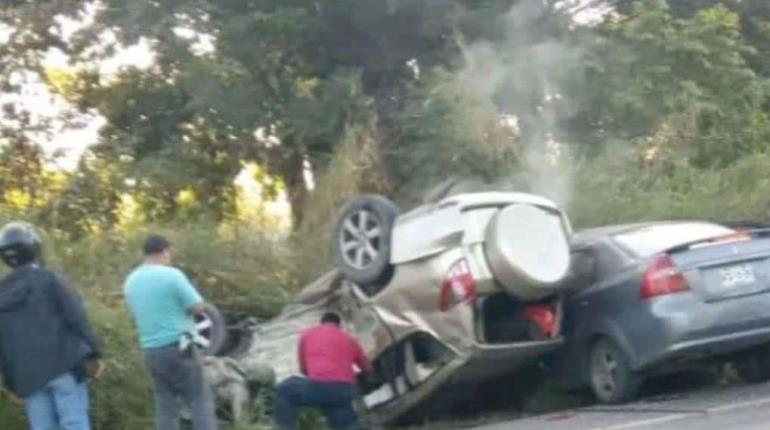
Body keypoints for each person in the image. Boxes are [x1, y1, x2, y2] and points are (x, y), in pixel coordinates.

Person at [0, 221, 103, 430]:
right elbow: (76, 317)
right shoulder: (49, 279)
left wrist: (10, 382)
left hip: (27, 377)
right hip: (64, 366)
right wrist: (95, 352)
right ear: (35, 247)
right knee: (74, 424)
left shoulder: (2, 291)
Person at [123, 234, 217, 430]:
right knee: (199, 401)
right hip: (180, 347)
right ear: (164, 252)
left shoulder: (130, 281)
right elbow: (197, 307)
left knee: (165, 406)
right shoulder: (172, 275)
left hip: (151, 350)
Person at [274, 312, 372, 430]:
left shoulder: (307, 334)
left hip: (320, 386)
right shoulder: (350, 339)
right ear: (339, 325)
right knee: (343, 423)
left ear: (322, 322)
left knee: (283, 390)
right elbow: (367, 368)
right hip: (345, 391)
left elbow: (303, 369)